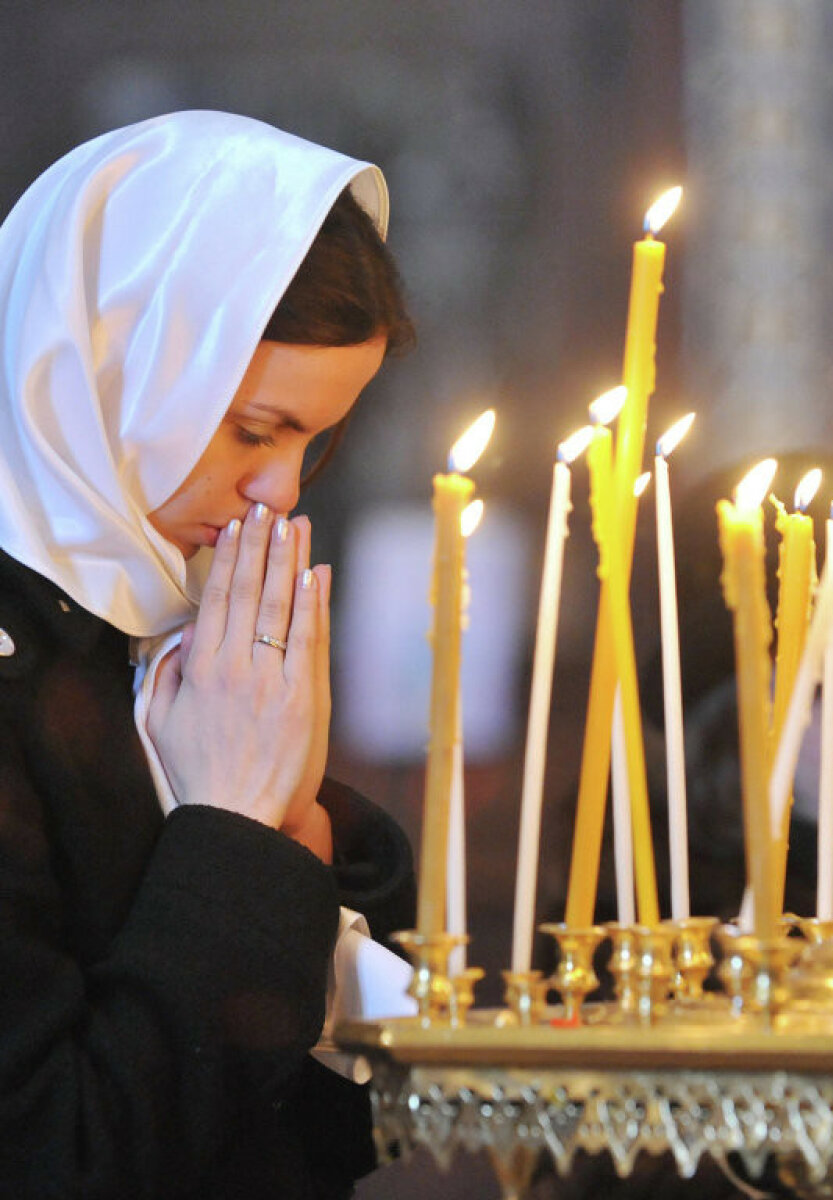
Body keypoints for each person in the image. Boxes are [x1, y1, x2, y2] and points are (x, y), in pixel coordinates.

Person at [0, 110, 418, 1199]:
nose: (281, 492)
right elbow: (57, 1152)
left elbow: (325, 1138)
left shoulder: (160, 632)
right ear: (100, 368)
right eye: (251, 429)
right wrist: (237, 838)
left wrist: (303, 838)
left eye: (313, 441)